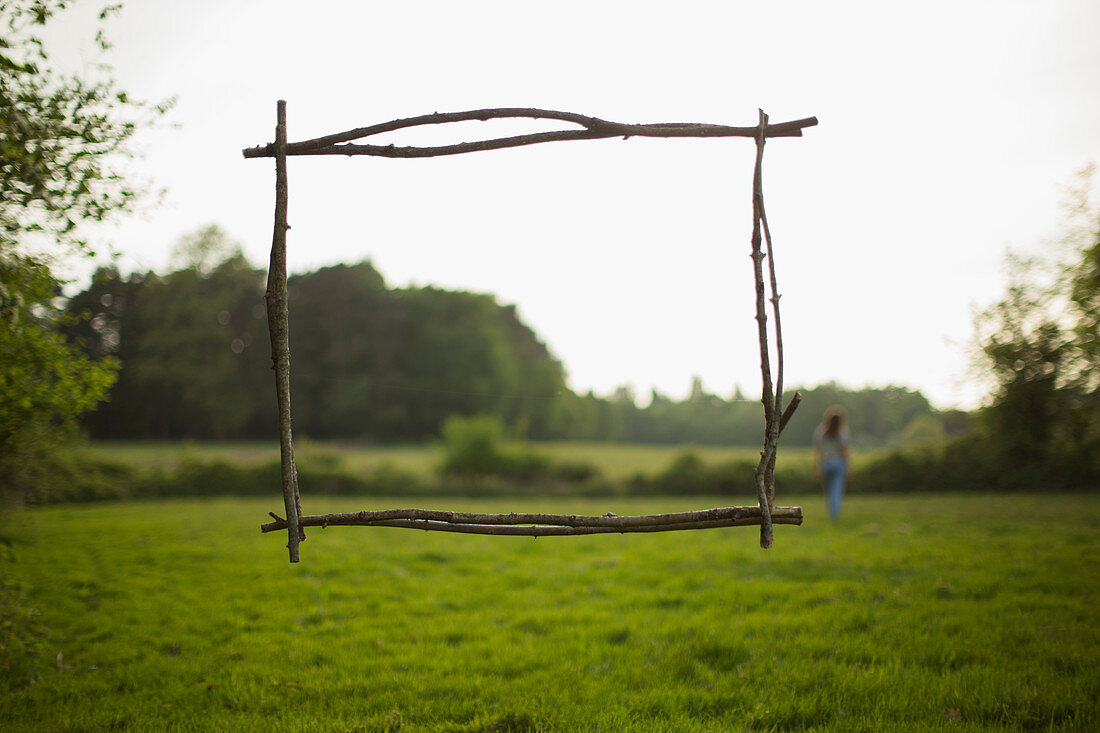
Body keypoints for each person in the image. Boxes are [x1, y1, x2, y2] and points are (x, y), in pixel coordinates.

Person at [813, 406, 851, 519]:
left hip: (826, 464)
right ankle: (834, 514)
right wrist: (848, 467)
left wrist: (817, 468)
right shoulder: (843, 431)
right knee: (836, 490)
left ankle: (831, 512)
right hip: (838, 464)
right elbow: (845, 452)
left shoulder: (821, 431)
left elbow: (819, 452)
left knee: (828, 490)